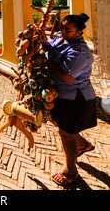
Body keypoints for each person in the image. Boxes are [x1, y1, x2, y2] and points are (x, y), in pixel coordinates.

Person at [41, 13, 97, 187]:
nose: (62, 32)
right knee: (61, 125)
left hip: (75, 98)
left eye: (68, 30)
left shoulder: (80, 52)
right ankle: (83, 144)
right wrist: (43, 43)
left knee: (66, 134)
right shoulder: (63, 38)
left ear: (79, 32)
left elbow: (67, 77)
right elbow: (52, 50)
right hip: (60, 94)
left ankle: (70, 172)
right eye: (62, 27)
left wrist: (44, 62)